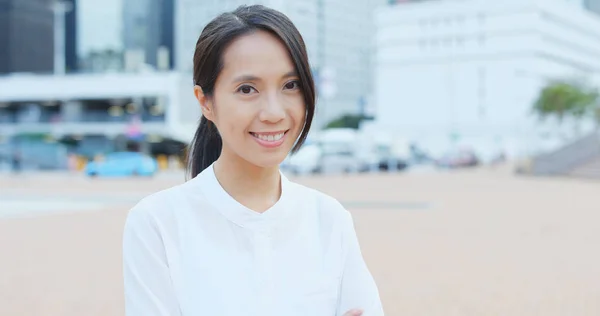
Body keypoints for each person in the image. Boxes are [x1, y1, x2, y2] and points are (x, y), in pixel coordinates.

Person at [122, 5, 384, 316]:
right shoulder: (156, 224)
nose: (274, 112)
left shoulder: (329, 219)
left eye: (291, 85)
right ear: (205, 101)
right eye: (247, 89)